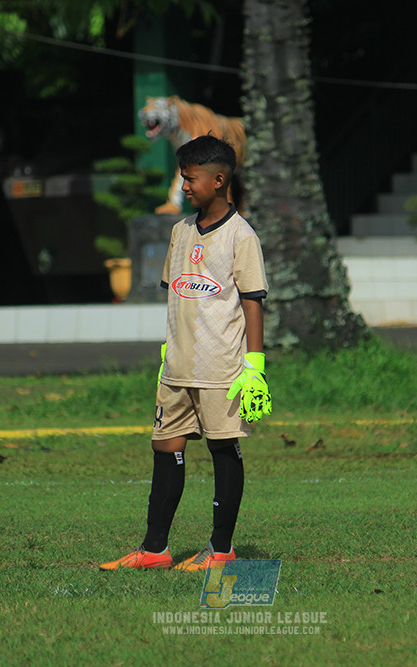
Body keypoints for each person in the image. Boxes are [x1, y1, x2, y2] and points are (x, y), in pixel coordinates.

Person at [100, 134, 272, 572]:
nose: (185, 186)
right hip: (175, 369)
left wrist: (255, 367)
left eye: (191, 178)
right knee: (166, 447)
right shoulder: (179, 233)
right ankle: (155, 550)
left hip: (222, 371)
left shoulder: (241, 236)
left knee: (222, 449)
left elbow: (252, 302)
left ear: (218, 180)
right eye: (183, 177)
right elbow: (179, 297)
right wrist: (168, 352)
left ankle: (221, 549)